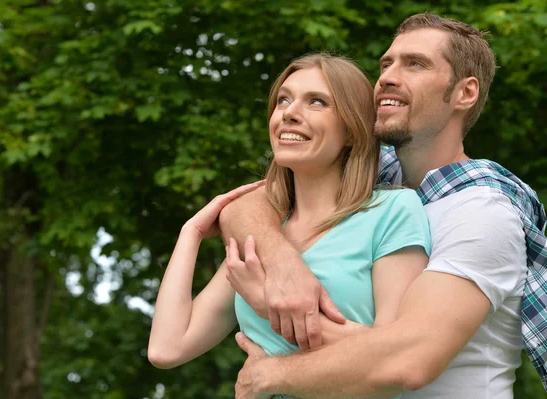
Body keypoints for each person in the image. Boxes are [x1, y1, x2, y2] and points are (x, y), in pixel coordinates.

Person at [222, 13, 547, 399]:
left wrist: (269, 372)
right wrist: (282, 261)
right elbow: (245, 205)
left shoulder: (481, 211)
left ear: (466, 93)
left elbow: (407, 362)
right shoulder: (369, 182)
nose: (388, 77)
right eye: (386, 64)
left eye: (415, 64)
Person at [147, 54, 432, 386]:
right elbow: (167, 348)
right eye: (283, 100)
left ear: (352, 132)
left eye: (316, 102)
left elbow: (392, 362)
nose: (289, 114)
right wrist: (191, 232)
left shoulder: (392, 212)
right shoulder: (263, 237)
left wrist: (269, 308)